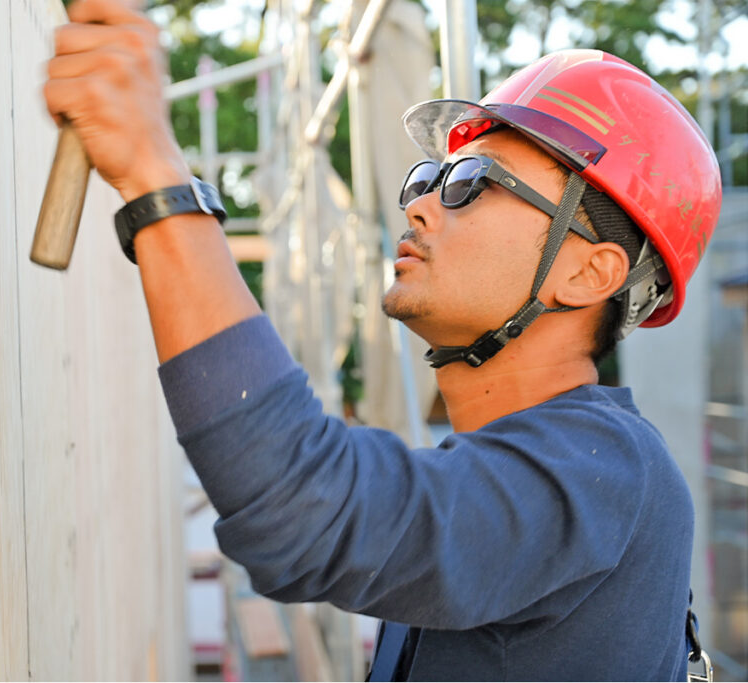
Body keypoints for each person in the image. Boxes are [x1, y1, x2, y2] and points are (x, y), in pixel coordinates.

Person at [43, 0, 722, 679]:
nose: (419, 204)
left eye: (471, 182)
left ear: (588, 271)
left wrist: (156, 176)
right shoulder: (512, 468)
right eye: (427, 178)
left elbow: (302, 507)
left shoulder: (607, 473)